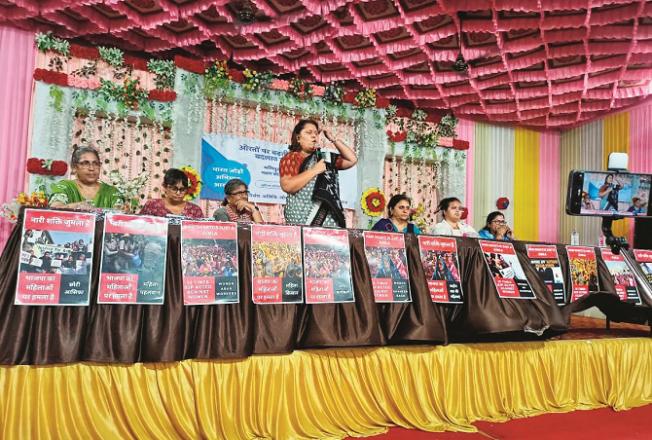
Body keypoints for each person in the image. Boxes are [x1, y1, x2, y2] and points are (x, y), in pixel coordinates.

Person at [279, 119, 357, 227]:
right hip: (302, 220)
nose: (314, 136)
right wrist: (315, 170)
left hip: (328, 222)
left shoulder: (324, 158)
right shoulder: (291, 157)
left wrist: (333, 139)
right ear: (298, 138)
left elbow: (351, 160)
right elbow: (287, 186)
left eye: (316, 133)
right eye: (309, 132)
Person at [49, 146, 122, 210]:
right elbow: (55, 209)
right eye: (85, 163)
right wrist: (78, 207)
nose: (91, 168)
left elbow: (121, 217)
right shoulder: (65, 187)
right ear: (74, 167)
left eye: (95, 163)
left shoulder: (111, 192)